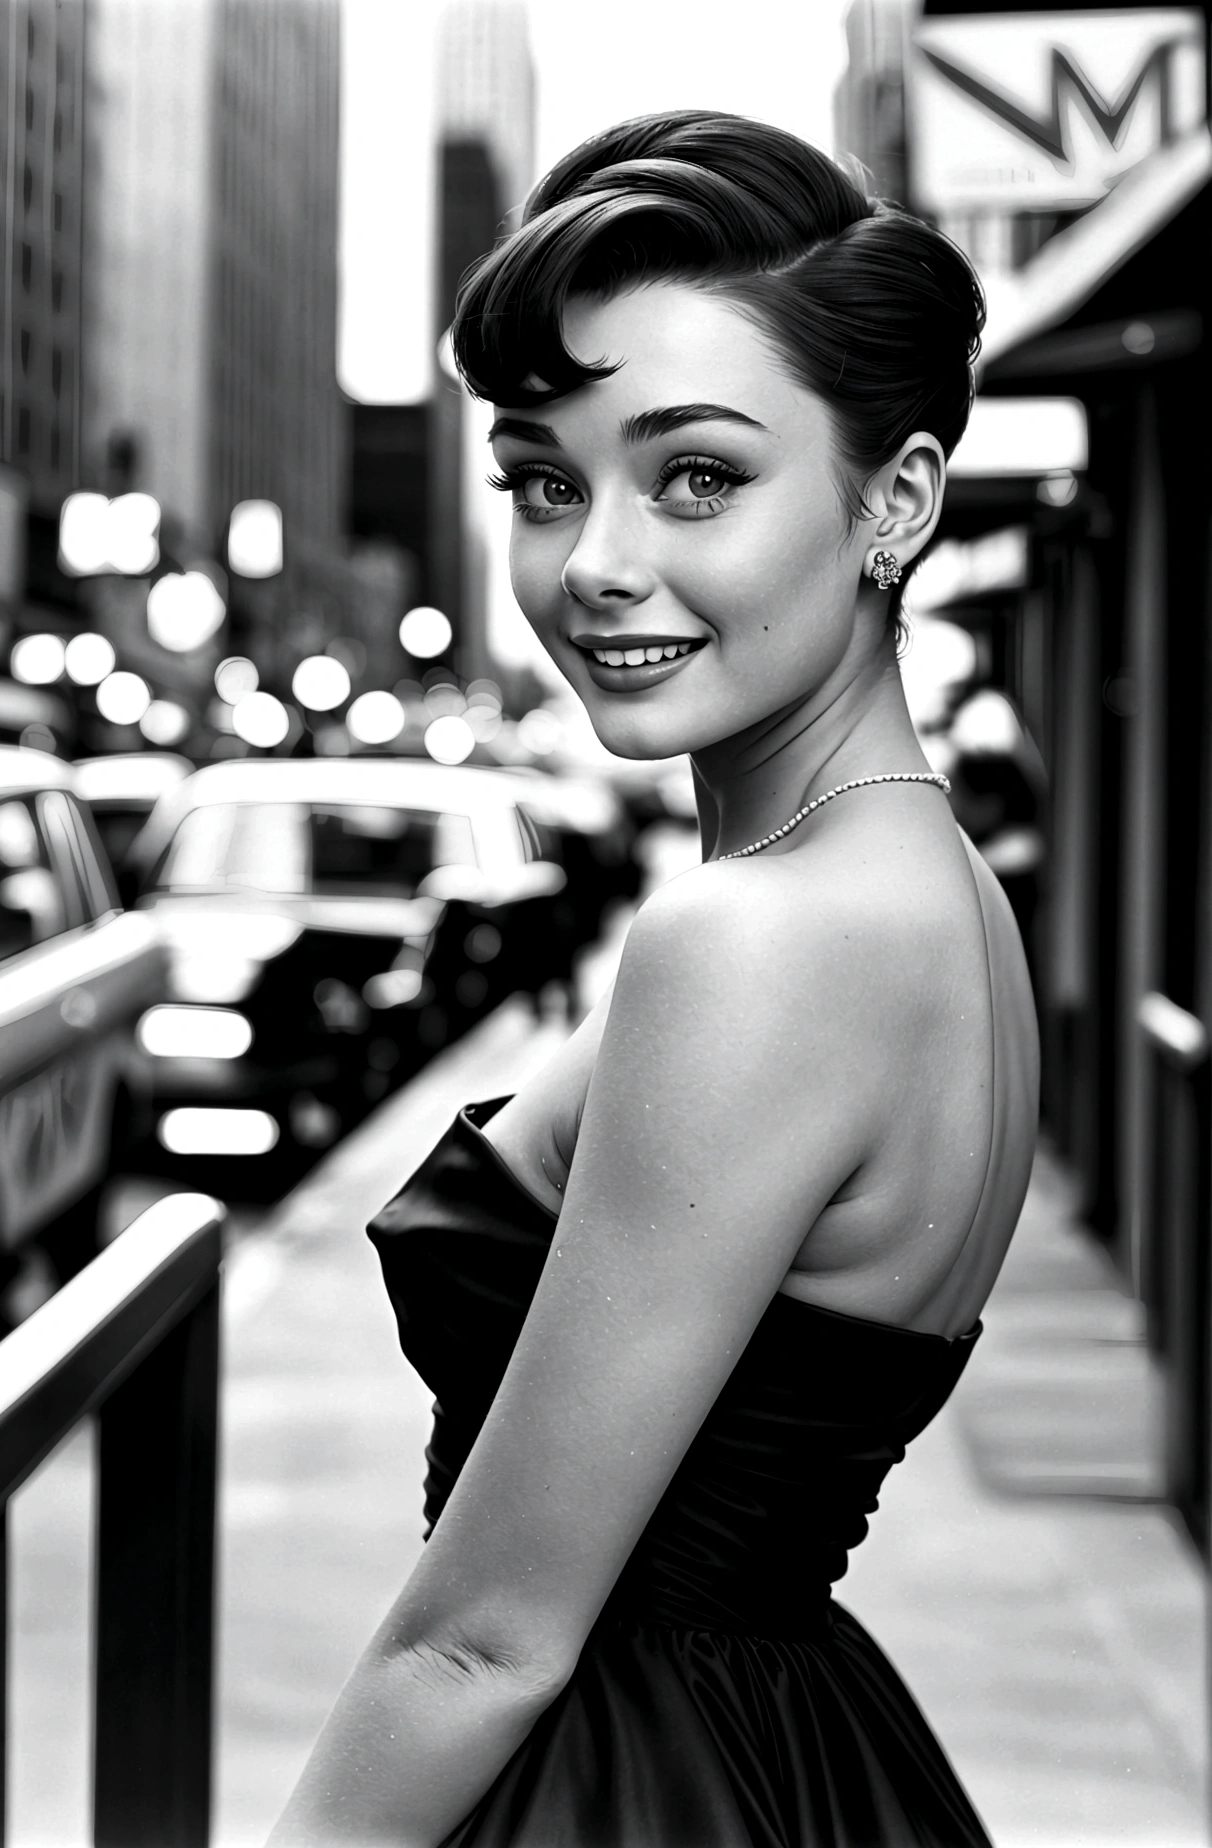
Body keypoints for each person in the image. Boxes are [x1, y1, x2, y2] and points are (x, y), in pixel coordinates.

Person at [268, 110, 1039, 1848]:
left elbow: (480, 1641)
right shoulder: (941, 900)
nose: (597, 560)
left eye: (697, 474)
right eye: (547, 479)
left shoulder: (758, 939)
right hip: (786, 1751)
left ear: (893, 501)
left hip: (619, 1785)